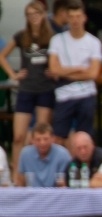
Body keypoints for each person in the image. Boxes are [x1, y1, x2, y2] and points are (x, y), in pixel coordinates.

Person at [0, 1, 56, 174]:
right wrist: (13, 74)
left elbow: (58, 58)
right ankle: (16, 173)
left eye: (36, 14)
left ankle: (38, 172)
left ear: (43, 15)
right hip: (26, 89)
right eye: (30, 15)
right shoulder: (21, 36)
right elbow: (2, 56)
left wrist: (53, 70)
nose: (34, 18)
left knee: (40, 136)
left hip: (45, 89)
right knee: (19, 136)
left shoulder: (51, 37)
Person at [15, 122, 72, 217]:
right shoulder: (25, 154)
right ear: (32, 140)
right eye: (38, 139)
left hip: (56, 200)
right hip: (31, 200)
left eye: (45, 139)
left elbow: (64, 182)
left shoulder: (62, 154)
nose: (42, 143)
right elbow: (20, 180)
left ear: (52, 139)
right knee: (23, 214)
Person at [47, 0, 102, 144]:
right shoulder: (57, 40)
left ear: (84, 17)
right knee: (58, 137)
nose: (75, 20)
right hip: (64, 94)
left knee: (84, 137)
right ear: (67, 17)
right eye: (71, 16)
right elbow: (53, 69)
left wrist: (64, 72)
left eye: (78, 16)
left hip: (86, 93)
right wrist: (78, 69)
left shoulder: (93, 42)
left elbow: (92, 74)